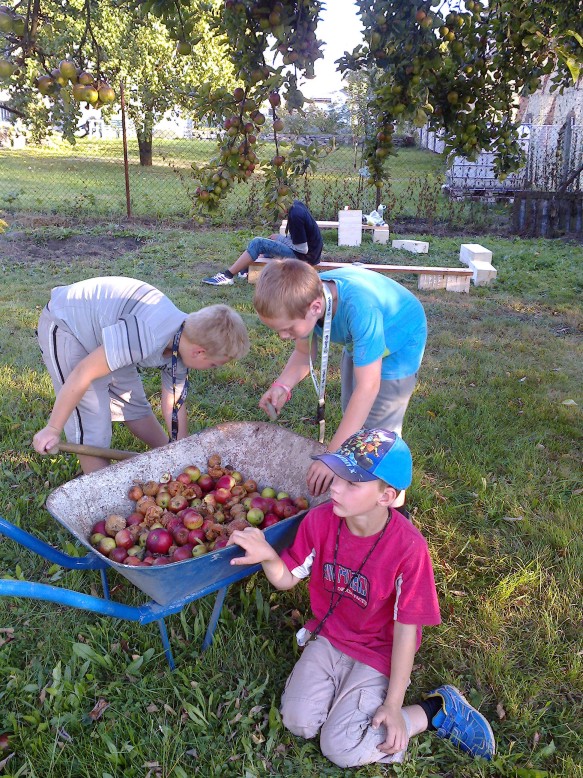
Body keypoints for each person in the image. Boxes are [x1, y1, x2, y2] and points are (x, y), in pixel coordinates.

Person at [228, 428, 495, 768]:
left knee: (340, 748)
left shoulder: (409, 549)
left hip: (377, 652)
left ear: (386, 497)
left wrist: (394, 705)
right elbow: (287, 578)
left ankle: (435, 711)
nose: (335, 487)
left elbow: (406, 631)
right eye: (337, 474)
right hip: (330, 638)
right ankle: (345, 693)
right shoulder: (319, 521)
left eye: (352, 483)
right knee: (297, 720)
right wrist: (268, 555)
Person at [32, 276, 249, 474]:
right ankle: (102, 492)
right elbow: (82, 373)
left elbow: (174, 402)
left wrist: (180, 454)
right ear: (199, 352)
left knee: (133, 404)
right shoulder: (146, 336)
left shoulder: (183, 341)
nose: (213, 368)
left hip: (109, 331)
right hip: (68, 326)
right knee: (93, 426)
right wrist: (53, 428)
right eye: (213, 364)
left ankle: (165, 457)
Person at [254, 259, 427, 497]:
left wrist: (331, 457)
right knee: (354, 415)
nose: (283, 336)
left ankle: (392, 510)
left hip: (398, 340)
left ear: (316, 308)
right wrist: (283, 385)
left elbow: (368, 387)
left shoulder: (360, 310)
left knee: (379, 437)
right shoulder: (303, 300)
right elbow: (304, 353)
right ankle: (357, 489)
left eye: (288, 329)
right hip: (361, 339)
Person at [202, 200, 323, 286]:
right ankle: (245, 270)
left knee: (258, 243)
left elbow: (302, 249)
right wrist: (279, 239)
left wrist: (280, 239)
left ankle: (227, 276)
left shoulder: (296, 215)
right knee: (268, 245)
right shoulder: (295, 205)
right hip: (310, 253)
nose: (275, 214)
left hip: (306, 258)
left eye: (274, 210)